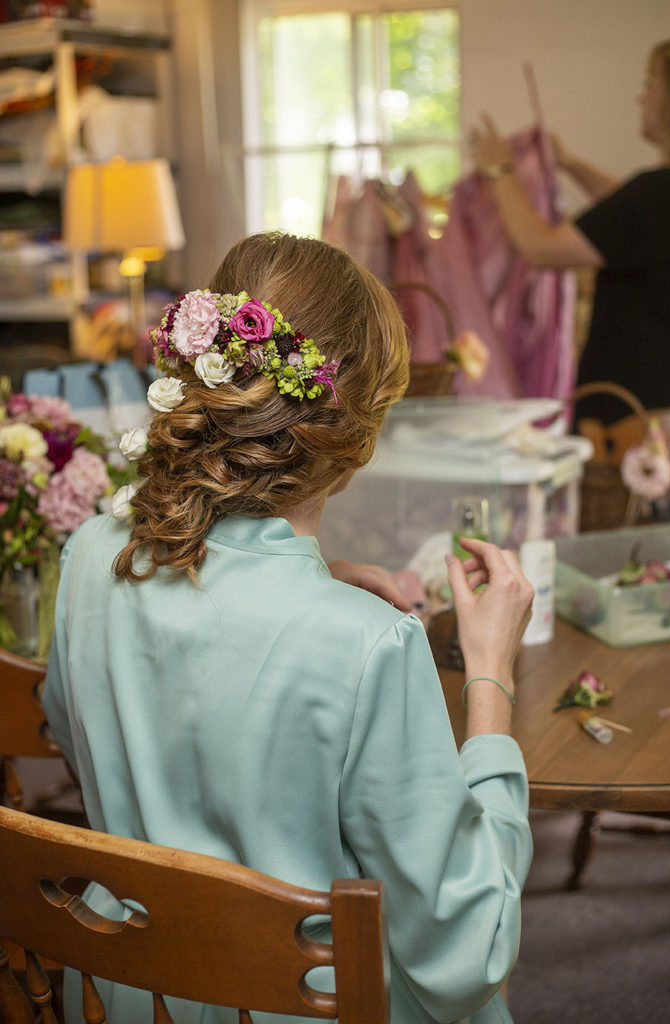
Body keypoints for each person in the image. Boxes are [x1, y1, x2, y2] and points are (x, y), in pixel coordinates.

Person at [42, 231, 534, 1024]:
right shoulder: (369, 644)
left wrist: (319, 587)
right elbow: (467, 947)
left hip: (131, 992)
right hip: (295, 1004)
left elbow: (83, 734)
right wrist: (490, 678)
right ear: (357, 437)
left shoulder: (90, 555)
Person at [469, 37, 670, 425]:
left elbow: (541, 248)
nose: (642, 97)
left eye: (650, 84)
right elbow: (628, 214)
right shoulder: (663, 197)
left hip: (635, 423)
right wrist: (569, 163)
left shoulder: (660, 193)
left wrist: (499, 170)